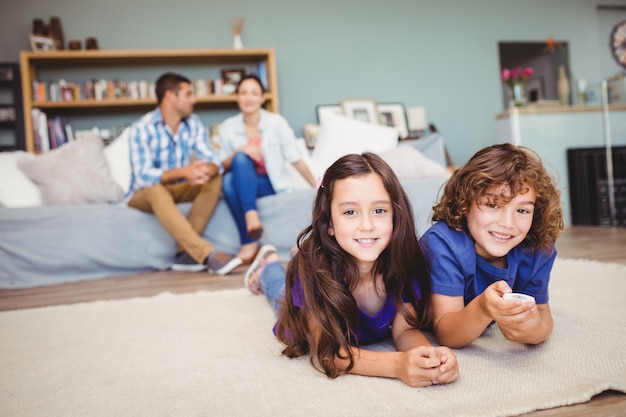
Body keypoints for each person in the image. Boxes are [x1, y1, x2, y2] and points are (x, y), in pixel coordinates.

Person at [244, 153, 459, 387]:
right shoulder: (312, 272)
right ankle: (268, 265)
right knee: (280, 292)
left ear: (395, 217)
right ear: (329, 225)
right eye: (350, 212)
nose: (366, 226)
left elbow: (404, 330)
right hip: (306, 287)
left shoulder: (405, 262)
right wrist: (397, 365)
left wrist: (430, 358)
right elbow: (329, 353)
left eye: (379, 211)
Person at [421, 143, 564, 348]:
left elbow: (544, 317)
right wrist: (483, 308)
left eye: (522, 211)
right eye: (492, 205)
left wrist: (532, 329)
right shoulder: (443, 245)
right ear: (465, 202)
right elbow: (447, 334)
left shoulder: (538, 248)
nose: (507, 223)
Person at [127, 72, 234, 274]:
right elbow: (142, 176)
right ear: (170, 96)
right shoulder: (142, 128)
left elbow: (211, 158)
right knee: (156, 190)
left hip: (179, 189)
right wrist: (184, 171)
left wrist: (208, 168)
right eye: (188, 94)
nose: (194, 99)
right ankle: (205, 253)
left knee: (214, 178)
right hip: (144, 194)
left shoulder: (193, 123)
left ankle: (185, 255)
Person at [215, 74, 317, 275]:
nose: (248, 98)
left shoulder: (276, 123)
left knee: (231, 178)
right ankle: (251, 223)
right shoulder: (228, 127)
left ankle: (248, 241)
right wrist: (240, 151)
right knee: (232, 173)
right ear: (237, 97)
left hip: (269, 184)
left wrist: (316, 185)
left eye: (254, 93)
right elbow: (222, 166)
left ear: (262, 98)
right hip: (240, 183)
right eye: (243, 93)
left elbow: (294, 157)